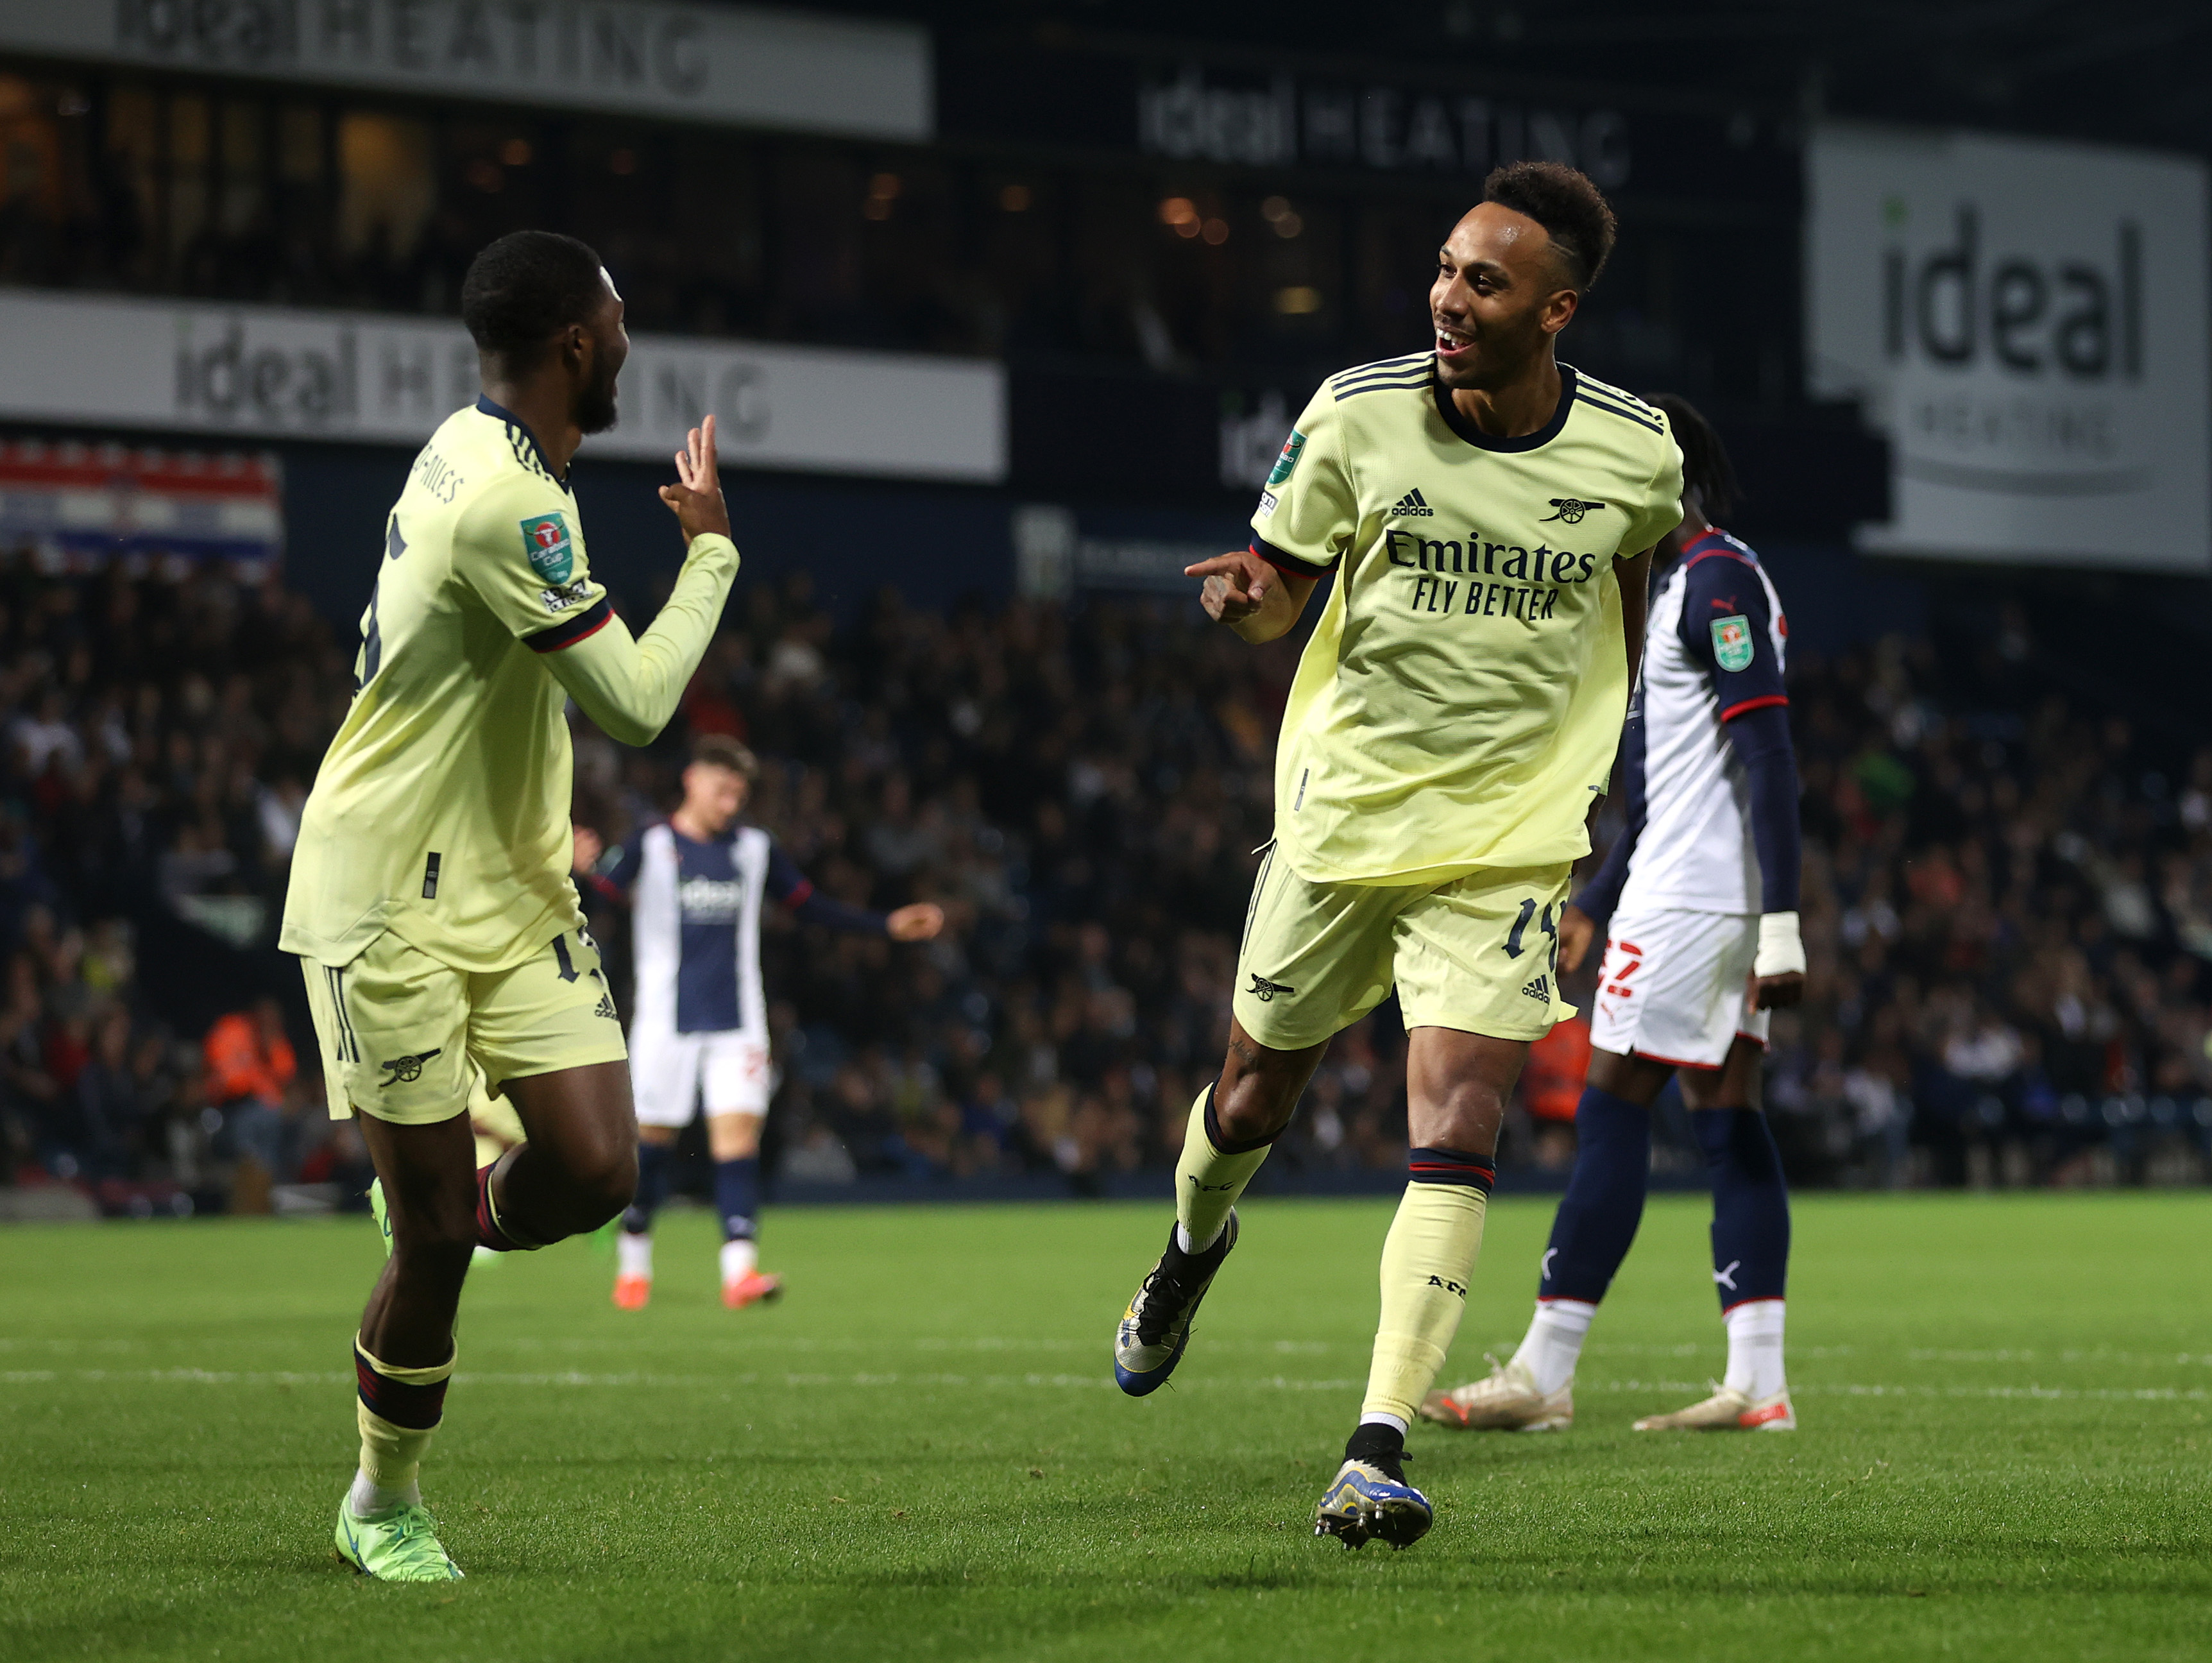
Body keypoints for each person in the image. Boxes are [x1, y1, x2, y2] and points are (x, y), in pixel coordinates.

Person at [1109, 160, 1683, 1550]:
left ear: (1553, 310)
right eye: (1440, 269)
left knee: (1461, 1119)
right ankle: (1188, 1251)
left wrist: (1592, 774)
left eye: (1480, 281)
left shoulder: (1634, 454)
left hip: (1501, 849)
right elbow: (1273, 595)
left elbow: (1627, 597)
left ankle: (1373, 1449)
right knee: (1247, 1101)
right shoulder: (1355, 418)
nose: (1445, 296)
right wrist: (1245, 607)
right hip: (1345, 823)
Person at [280, 228, 744, 1582]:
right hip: (389, 900)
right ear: (578, 347)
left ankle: (443, 1197)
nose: (629, 340)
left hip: (507, 883)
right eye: (619, 318)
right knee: (427, 1241)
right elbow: (641, 706)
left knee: (598, 1168)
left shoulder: (484, 452)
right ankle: (382, 1502)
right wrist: (709, 555)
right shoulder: (510, 504)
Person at [1420, 394, 1805, 1437]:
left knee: (1607, 1107)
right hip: (1683, 888)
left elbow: (1768, 753)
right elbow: (1668, 788)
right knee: (1726, 1119)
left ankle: (1544, 1370)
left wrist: (1782, 921)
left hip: (1693, 901)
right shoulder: (1678, 585)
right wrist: (1594, 897)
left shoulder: (1715, 578)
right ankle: (1756, 1379)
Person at [574, 733, 944, 1310]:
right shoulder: (651, 845)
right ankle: (634, 1262)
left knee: (738, 1138)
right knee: (654, 1146)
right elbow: (597, 902)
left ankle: (739, 1272)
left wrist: (886, 927)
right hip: (664, 1024)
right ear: (693, 781)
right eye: (723, 791)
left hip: (738, 1021)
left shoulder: (754, 848)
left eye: (739, 795)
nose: (730, 804)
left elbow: (808, 905)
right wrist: (577, 874)